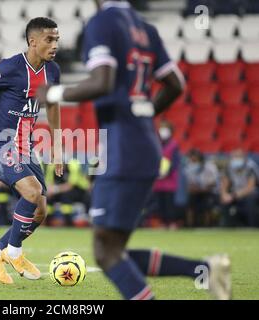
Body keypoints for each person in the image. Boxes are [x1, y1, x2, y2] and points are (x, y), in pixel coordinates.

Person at [37, 0, 231, 299]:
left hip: (122, 148)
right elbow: (175, 84)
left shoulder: (103, 22)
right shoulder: (145, 27)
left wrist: (54, 92)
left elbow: (103, 81)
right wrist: (144, 113)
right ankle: (203, 271)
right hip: (144, 143)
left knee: (106, 252)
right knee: (114, 248)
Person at [0, 17, 63, 284]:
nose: (54, 44)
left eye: (57, 39)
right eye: (49, 39)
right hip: (0, 144)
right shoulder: (10, 68)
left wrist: (57, 147)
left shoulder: (53, 71)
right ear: (32, 41)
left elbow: (53, 106)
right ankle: (14, 251)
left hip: (27, 147)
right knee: (32, 192)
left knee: (41, 211)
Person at [44, 158, 91, 226]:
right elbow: (49, 182)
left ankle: (68, 222)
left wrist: (55, 190)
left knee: (66, 196)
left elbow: (70, 185)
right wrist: (51, 191)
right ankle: (47, 222)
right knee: (49, 198)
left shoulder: (73, 165)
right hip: (60, 191)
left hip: (79, 190)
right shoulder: (51, 166)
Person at [152, 120, 181, 228]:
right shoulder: (156, 144)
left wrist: (166, 172)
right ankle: (162, 223)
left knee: (169, 203)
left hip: (169, 180)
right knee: (159, 204)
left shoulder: (174, 145)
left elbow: (175, 162)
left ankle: (172, 223)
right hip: (158, 180)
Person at [220, 149, 259, 227]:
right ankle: (227, 226)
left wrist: (234, 196)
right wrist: (224, 195)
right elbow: (224, 184)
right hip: (234, 192)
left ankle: (252, 226)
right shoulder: (229, 167)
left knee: (250, 200)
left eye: (238, 156)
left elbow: (250, 187)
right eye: (234, 156)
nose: (236, 158)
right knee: (224, 201)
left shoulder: (250, 167)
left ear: (244, 157)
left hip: (249, 193)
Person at [184, 149, 219, 227]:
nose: (191, 160)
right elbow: (189, 184)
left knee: (207, 205)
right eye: (190, 158)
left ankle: (208, 225)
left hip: (208, 191)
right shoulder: (188, 167)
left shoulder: (209, 166)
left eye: (193, 158)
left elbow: (213, 183)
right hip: (195, 192)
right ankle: (190, 225)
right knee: (189, 204)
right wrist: (193, 188)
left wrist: (202, 188)